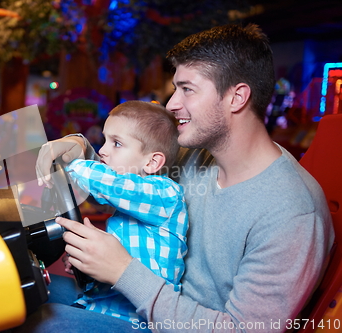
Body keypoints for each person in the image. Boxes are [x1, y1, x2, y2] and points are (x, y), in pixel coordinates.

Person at [17, 24, 334, 333]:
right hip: (131, 304)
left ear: (236, 97)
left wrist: (121, 270)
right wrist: (76, 143)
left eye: (187, 90)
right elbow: (125, 162)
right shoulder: (195, 153)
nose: (171, 104)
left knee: (34, 321)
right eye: (175, 89)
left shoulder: (292, 213)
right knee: (14, 288)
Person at [61, 100, 188, 324]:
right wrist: (86, 264)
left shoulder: (165, 195)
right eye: (105, 140)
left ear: (152, 162)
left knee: (44, 321)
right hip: (101, 307)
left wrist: (72, 164)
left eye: (116, 143)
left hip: (137, 321)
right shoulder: (127, 206)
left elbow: (113, 184)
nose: (102, 151)